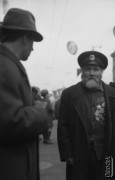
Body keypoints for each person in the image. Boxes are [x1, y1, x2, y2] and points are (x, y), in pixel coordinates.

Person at [57, 51, 115, 180]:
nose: (92, 73)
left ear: (101, 72)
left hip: (107, 153)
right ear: (82, 71)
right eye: (87, 69)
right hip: (79, 155)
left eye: (96, 69)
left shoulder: (112, 94)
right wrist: (67, 154)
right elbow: (63, 127)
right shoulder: (69, 94)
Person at [0, 8, 51, 180]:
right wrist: (40, 111)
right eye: (32, 42)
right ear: (24, 37)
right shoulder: (3, 66)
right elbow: (8, 123)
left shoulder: (8, 63)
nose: (33, 49)